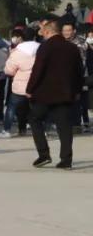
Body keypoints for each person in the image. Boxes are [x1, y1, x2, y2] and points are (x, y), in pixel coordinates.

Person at [27, 19, 84, 169]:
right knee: (64, 126)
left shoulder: (45, 47)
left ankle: (44, 154)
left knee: (34, 118)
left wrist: (30, 89)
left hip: (45, 94)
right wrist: (77, 90)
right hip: (65, 93)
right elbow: (79, 71)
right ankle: (66, 159)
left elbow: (37, 70)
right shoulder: (72, 48)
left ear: (47, 32)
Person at [2, 27, 38, 138]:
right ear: (35, 37)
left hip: (20, 86)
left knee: (12, 108)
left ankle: (7, 130)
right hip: (37, 85)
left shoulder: (17, 52)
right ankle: (41, 130)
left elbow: (9, 70)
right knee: (36, 109)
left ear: (22, 37)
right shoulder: (41, 49)